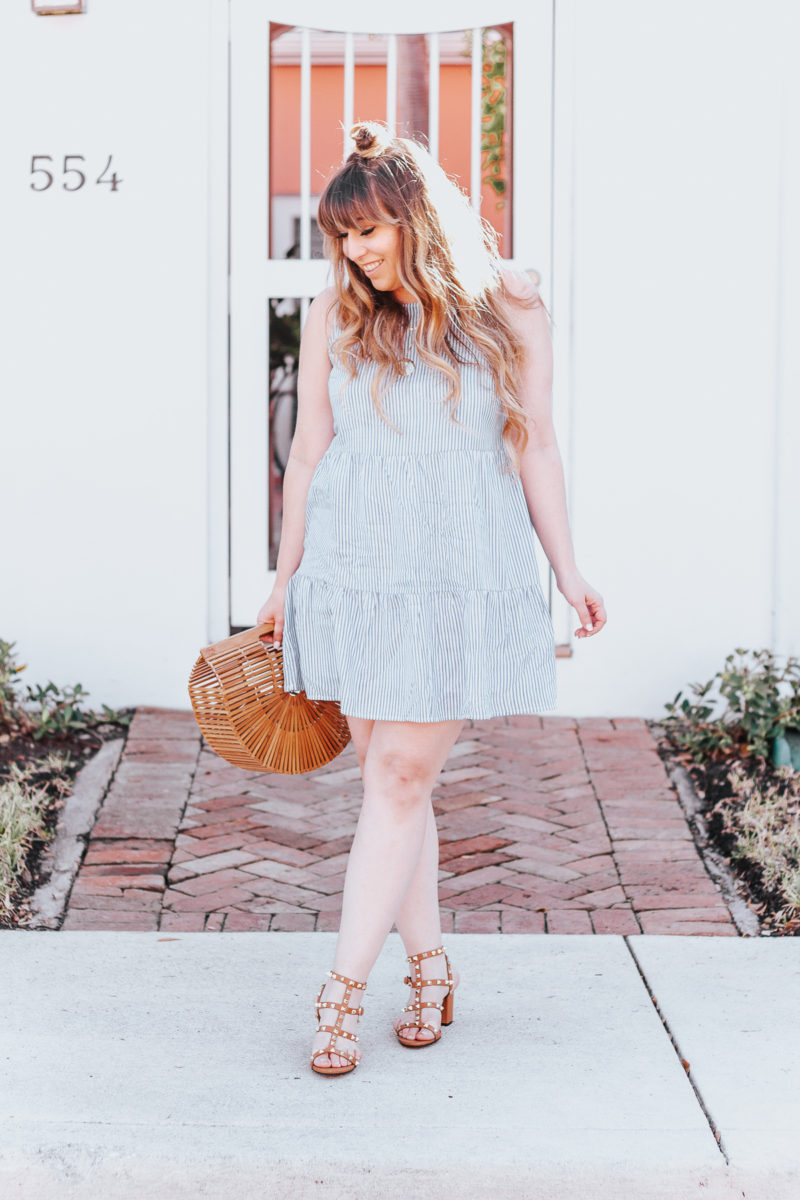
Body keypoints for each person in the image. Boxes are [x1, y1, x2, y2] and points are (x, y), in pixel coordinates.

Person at [257, 121, 606, 1076]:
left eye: (369, 231)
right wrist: (286, 580)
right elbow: (310, 452)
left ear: (417, 216)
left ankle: (341, 995)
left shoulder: (510, 305)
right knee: (391, 785)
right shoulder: (340, 314)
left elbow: (535, 444)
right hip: (354, 569)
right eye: (344, 238)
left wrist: (566, 571)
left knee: (399, 780)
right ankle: (431, 968)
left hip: (460, 574)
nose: (357, 252)